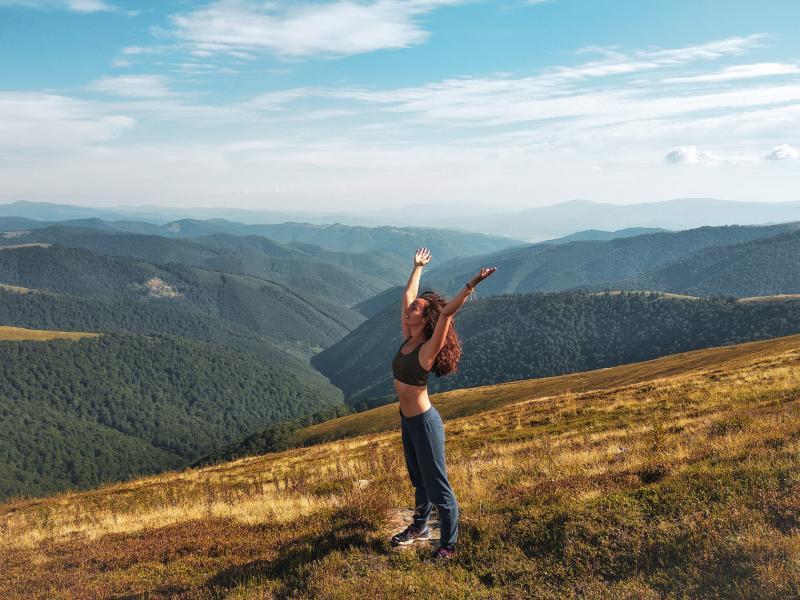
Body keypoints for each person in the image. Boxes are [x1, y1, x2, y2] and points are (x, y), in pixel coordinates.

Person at [390, 247, 496, 560]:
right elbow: (408, 293)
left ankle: (448, 544)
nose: (410, 309)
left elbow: (447, 313)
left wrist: (472, 284)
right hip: (407, 420)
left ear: (426, 319)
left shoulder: (426, 349)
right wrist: (417, 267)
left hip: (424, 422)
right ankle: (420, 527)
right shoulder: (408, 337)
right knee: (418, 480)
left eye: (417, 308)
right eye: (411, 307)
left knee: (438, 486)